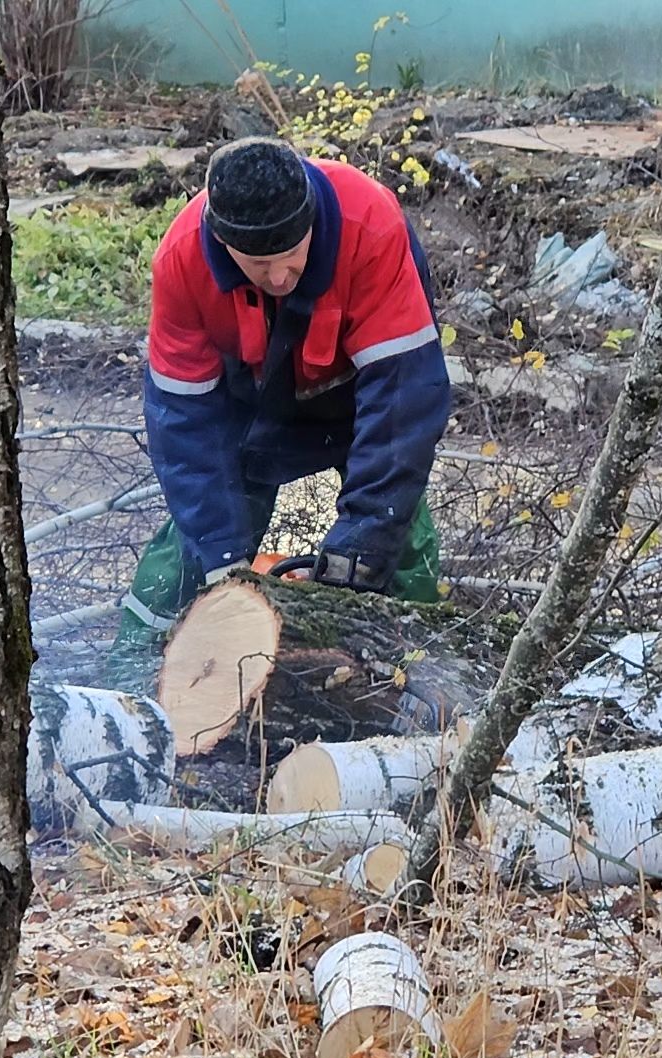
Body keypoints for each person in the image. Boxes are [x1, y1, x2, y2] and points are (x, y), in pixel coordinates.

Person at [109, 136, 451, 673]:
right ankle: (127, 683)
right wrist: (224, 559)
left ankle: (430, 677)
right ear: (223, 242)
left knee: (398, 535)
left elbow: (404, 404)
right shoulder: (181, 262)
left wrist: (358, 550)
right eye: (258, 262)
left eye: (292, 254)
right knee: (188, 557)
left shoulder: (370, 225)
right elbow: (185, 425)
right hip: (249, 406)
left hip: (361, 397)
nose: (278, 278)